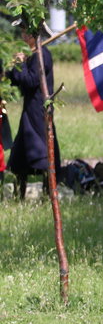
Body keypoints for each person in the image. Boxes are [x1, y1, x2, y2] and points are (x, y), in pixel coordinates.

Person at [5, 22, 60, 199]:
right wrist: (11, 69)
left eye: (27, 32)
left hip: (39, 110)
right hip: (29, 109)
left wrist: (21, 65)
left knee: (41, 149)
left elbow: (30, 81)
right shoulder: (32, 54)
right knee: (20, 153)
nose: (24, 35)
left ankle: (48, 194)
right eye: (22, 32)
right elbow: (18, 80)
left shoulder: (43, 55)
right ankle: (19, 194)